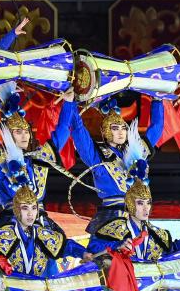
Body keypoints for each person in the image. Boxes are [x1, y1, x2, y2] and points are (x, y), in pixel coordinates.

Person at [0, 81, 76, 231]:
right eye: (18, 132)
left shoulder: (39, 156)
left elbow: (63, 131)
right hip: (10, 222)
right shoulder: (1, 158)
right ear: (9, 134)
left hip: (40, 222)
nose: (24, 136)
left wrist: (68, 103)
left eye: (26, 132)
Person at [67, 96, 166, 232]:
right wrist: (70, 103)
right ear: (106, 131)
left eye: (123, 128)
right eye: (115, 128)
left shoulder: (136, 151)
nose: (121, 132)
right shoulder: (99, 156)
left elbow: (156, 128)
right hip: (111, 218)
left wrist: (157, 100)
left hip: (138, 217)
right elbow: (78, 130)